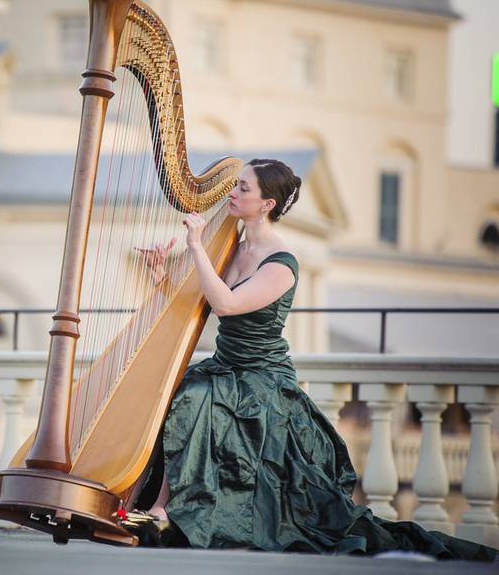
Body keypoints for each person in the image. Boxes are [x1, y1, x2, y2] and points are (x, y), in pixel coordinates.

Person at [127, 158, 497, 561]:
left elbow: (227, 304)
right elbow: (195, 304)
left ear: (267, 204)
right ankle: (157, 505)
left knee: (195, 396)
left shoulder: (281, 263)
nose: (231, 193)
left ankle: (165, 511)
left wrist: (195, 246)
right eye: (234, 186)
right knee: (178, 388)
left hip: (260, 377)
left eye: (243, 189)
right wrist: (161, 274)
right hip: (225, 366)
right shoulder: (230, 246)